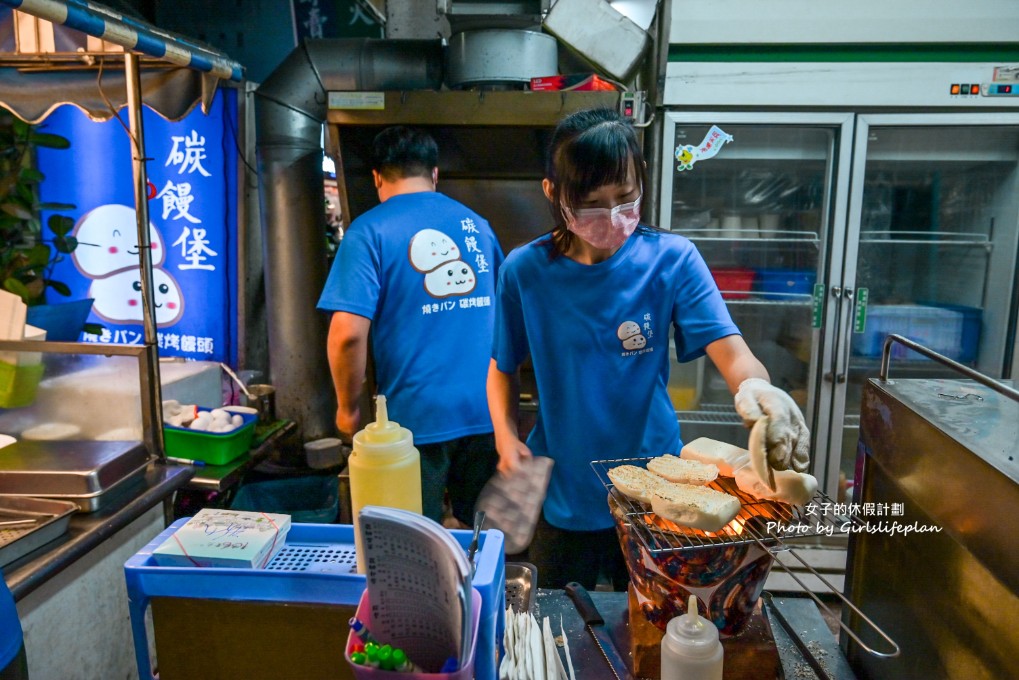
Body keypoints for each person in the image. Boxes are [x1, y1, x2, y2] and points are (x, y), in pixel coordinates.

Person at [487, 108, 809, 589]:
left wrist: (760, 391)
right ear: (553, 193)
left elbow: (732, 351)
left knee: (652, 623)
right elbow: (501, 366)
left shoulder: (672, 259)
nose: (613, 217)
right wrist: (504, 436)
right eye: (592, 203)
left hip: (658, 484)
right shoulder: (524, 270)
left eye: (625, 197)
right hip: (562, 487)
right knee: (555, 626)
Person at [319, 126, 505, 526]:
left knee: (416, 548)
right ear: (434, 174)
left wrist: (348, 410)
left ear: (377, 177)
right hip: (486, 412)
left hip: (414, 424)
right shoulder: (478, 225)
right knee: (482, 541)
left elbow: (348, 334)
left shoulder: (368, 231)